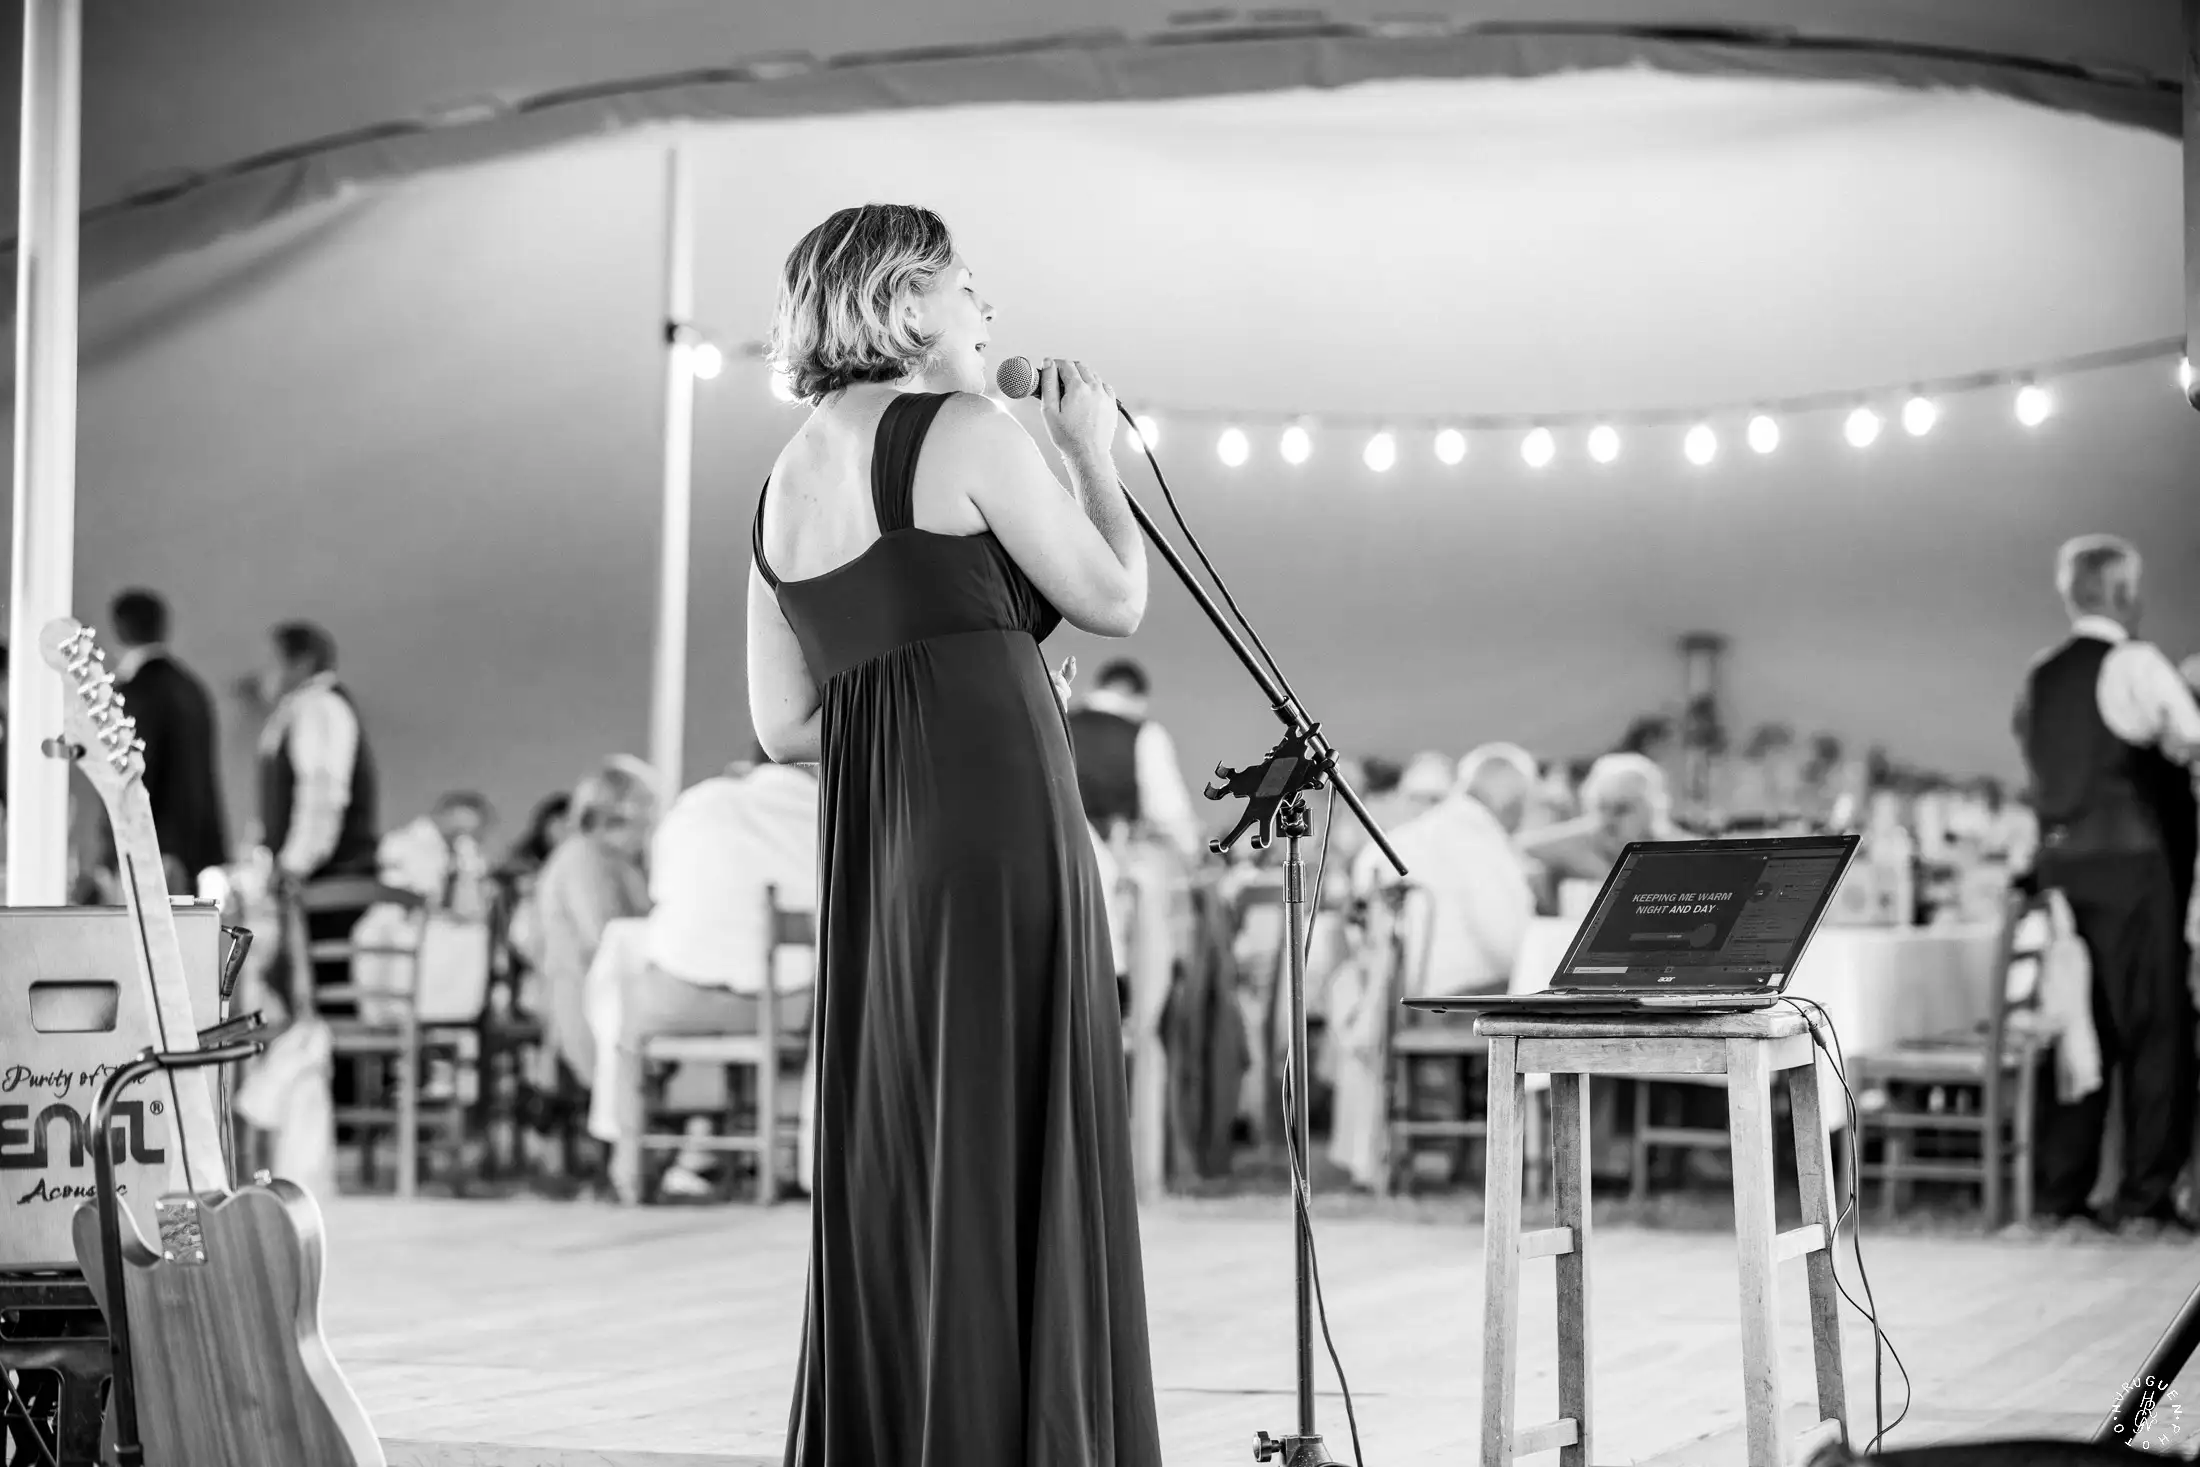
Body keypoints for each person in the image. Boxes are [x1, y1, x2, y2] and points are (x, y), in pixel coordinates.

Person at [748, 203, 1160, 1464]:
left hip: (884, 852)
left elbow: (783, 724)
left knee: (920, 1129)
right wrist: (1090, 455)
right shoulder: (969, 429)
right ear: (905, 303)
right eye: (967, 284)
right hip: (999, 832)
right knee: (1014, 1118)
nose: (988, 308)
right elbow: (1115, 598)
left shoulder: (780, 487)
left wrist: (958, 682)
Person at [2015, 535, 2200, 1230]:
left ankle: (2062, 1191)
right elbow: (2192, 737)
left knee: (2076, 1022)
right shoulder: (2134, 663)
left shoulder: (2039, 675)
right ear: (2122, 592)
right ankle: (2144, 1196)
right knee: (2153, 1028)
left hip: (2061, 873)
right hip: (2132, 867)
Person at [584, 756, 822, 1202]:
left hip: (684, 1001)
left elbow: (662, 893)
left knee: (622, 1007)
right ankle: (780, 1160)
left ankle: (628, 1166)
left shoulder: (701, 803)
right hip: (793, 1006)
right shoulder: (830, 812)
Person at [256, 620, 380, 1000]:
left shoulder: (320, 708)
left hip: (331, 876)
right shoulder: (302, 707)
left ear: (302, 662)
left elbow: (321, 793)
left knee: (324, 995)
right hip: (319, 875)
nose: (268, 672)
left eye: (274, 662)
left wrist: (295, 863)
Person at [528, 761, 654, 1093]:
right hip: (587, 1003)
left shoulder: (615, 861)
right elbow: (601, 937)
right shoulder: (583, 858)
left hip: (607, 995)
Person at [109, 588, 228, 892]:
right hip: (194, 849)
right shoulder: (190, 686)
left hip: (151, 848)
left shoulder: (136, 692)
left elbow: (132, 774)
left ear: (119, 628)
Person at [1066, 657, 1202, 861]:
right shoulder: (1146, 734)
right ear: (1138, 699)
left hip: (1053, 855)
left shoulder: (1058, 723)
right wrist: (1193, 851)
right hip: (1109, 861)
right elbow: (1168, 815)